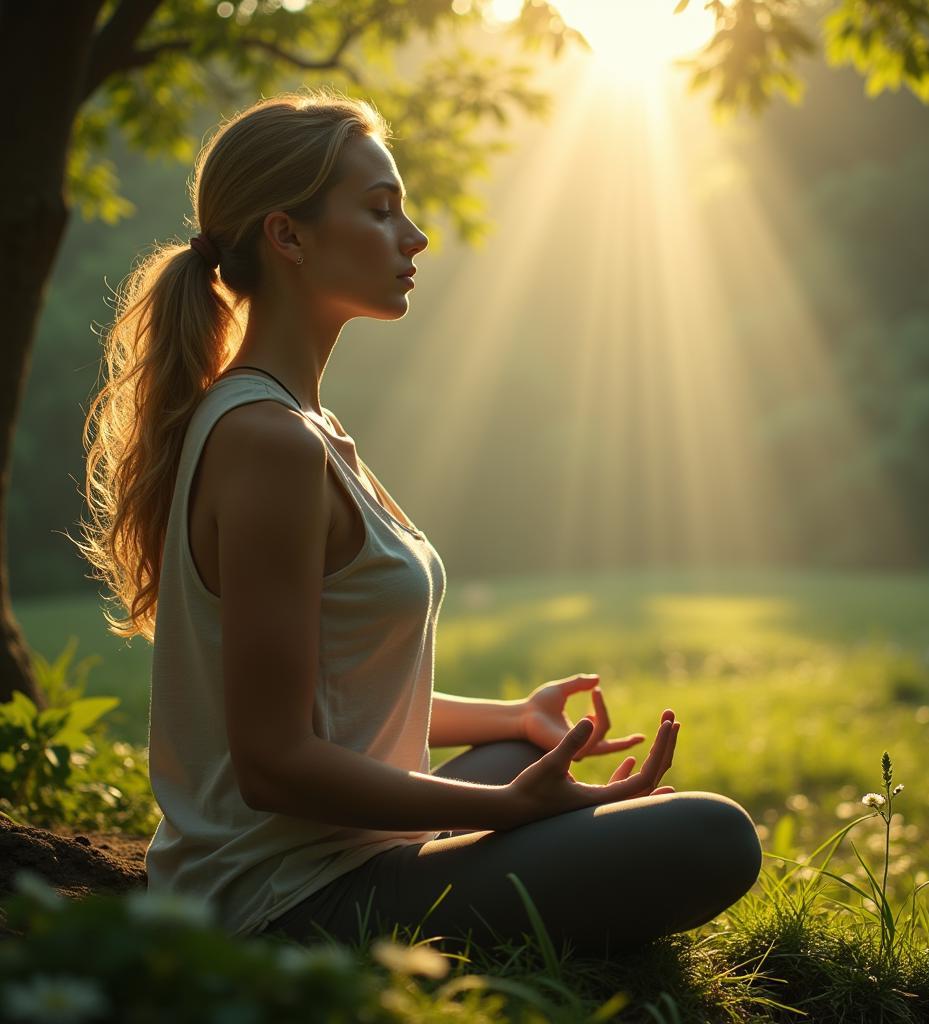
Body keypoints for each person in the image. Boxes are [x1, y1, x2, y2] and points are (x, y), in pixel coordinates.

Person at [77, 88, 761, 958]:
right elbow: (275, 760)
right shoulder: (267, 441)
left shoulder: (302, 428)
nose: (415, 237)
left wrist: (512, 719)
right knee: (714, 837)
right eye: (380, 210)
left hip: (344, 860)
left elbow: (339, 696)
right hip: (288, 909)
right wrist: (510, 810)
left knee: (536, 765)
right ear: (287, 236)